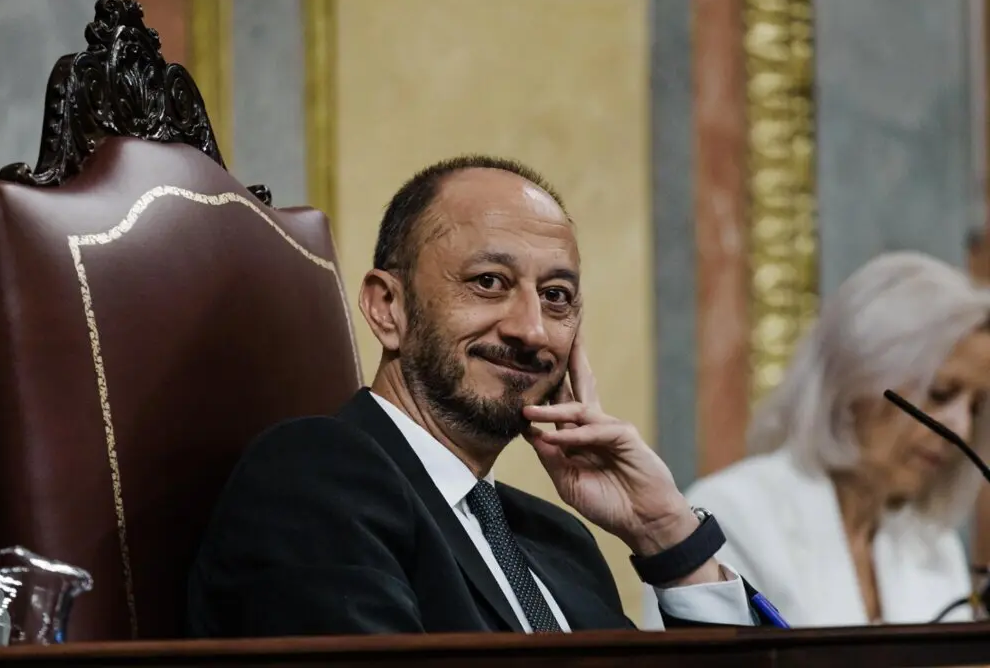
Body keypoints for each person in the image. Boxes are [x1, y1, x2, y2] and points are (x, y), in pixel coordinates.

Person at [187, 155, 781, 636]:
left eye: (555, 296)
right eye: (489, 282)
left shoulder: (556, 538)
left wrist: (668, 537)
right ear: (388, 307)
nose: (532, 330)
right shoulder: (316, 477)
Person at [642, 251, 990, 628]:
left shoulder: (933, 544)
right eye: (940, 393)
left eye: (976, 407)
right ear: (858, 377)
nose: (960, 429)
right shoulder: (730, 515)